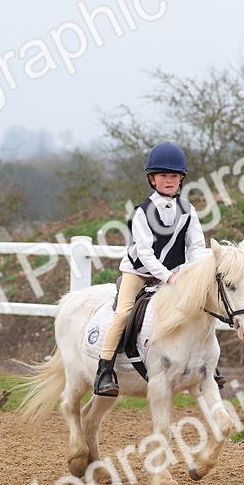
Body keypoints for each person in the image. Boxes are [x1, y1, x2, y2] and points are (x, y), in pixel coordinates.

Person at [94, 142, 212, 397]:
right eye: (164, 176)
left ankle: (207, 365)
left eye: (174, 176)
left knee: (202, 308)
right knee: (124, 312)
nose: (170, 180)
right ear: (152, 179)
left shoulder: (187, 210)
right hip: (138, 273)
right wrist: (170, 276)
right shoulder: (142, 212)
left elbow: (196, 246)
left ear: (181, 179)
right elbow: (145, 254)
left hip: (175, 273)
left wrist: (197, 271)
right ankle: (105, 370)